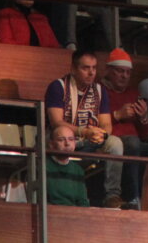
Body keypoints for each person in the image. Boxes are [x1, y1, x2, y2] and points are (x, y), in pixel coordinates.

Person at [43, 50, 124, 208]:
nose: (91, 72)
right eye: (85, 68)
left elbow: (107, 124)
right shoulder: (58, 86)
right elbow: (56, 122)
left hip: (89, 142)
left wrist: (102, 135)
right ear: (73, 69)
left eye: (94, 68)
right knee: (56, 137)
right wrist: (83, 132)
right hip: (62, 140)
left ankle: (112, 195)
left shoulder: (100, 90)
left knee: (115, 143)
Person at [100, 48, 148, 209]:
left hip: (135, 142)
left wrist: (143, 118)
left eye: (128, 73)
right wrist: (117, 115)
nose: (124, 76)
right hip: (111, 141)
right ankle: (133, 197)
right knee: (132, 143)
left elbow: (145, 135)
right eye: (120, 71)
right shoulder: (99, 91)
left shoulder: (133, 93)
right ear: (108, 70)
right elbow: (96, 125)